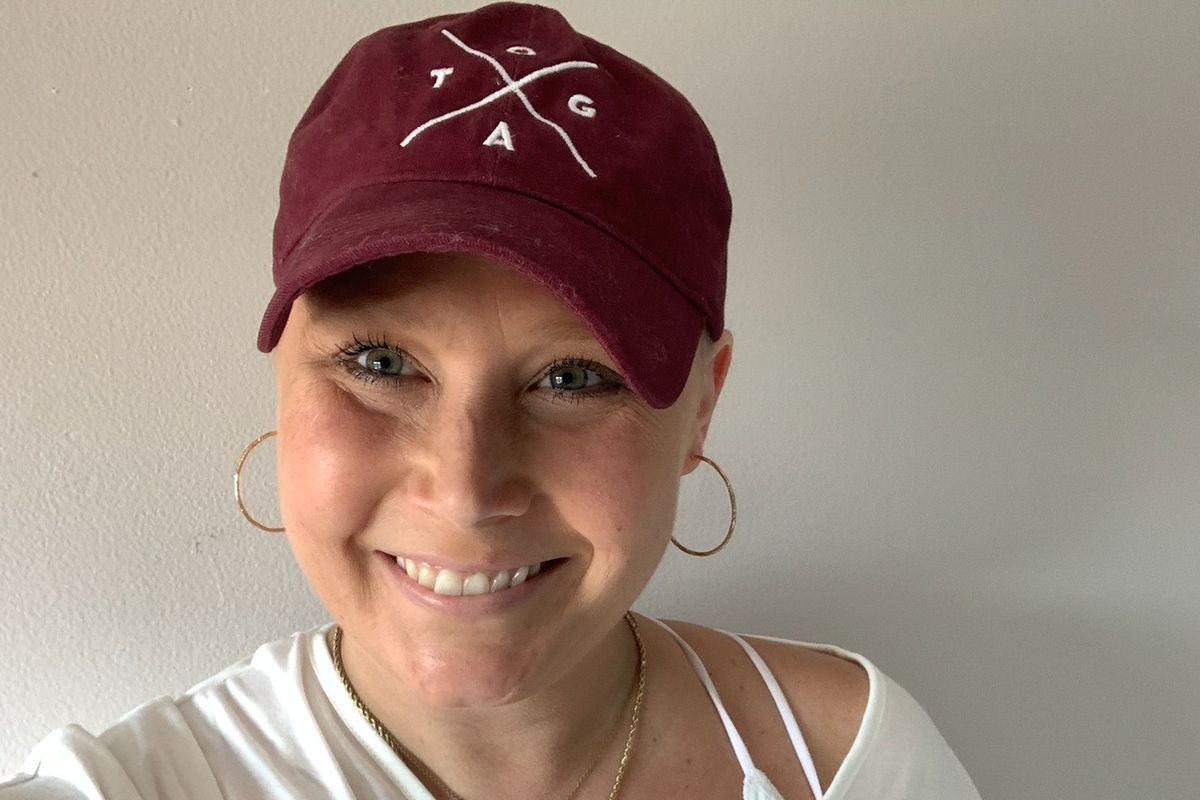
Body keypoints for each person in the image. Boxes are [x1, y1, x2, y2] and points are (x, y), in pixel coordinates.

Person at [0, 3, 982, 798]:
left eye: (572, 377)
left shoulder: (843, 760)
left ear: (702, 406)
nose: (467, 491)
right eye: (380, 361)